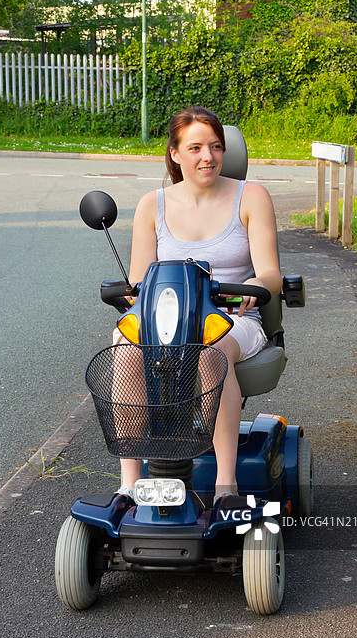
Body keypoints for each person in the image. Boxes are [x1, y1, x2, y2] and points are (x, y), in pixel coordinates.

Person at [115, 106, 282, 501]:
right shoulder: (151, 204)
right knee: (123, 352)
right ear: (174, 153)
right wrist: (130, 292)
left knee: (209, 352)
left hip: (229, 318)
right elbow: (140, 279)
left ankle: (226, 485)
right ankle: (128, 484)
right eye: (195, 148)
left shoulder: (251, 196)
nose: (207, 157)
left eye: (215, 147)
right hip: (166, 318)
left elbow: (271, 274)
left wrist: (251, 287)